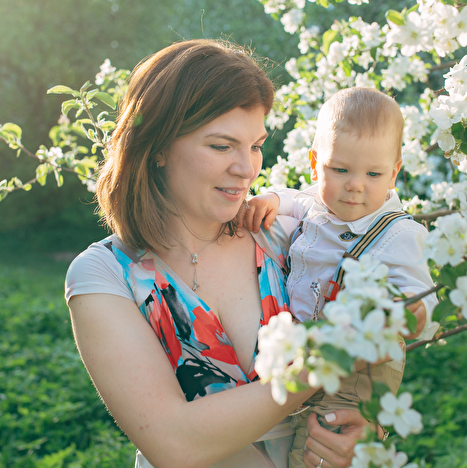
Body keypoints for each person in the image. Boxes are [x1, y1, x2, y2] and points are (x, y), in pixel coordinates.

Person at [65, 39, 366, 468]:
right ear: (158, 147)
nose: (246, 169)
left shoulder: (287, 236)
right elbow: (174, 443)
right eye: (222, 146)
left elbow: (367, 365)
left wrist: (363, 423)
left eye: (255, 145)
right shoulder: (104, 276)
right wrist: (325, 362)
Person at [244, 87, 437, 468]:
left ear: (394, 173)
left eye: (373, 174)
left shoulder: (398, 233)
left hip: (357, 370)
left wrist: (413, 311)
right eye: (341, 170)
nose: (355, 185)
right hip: (312, 353)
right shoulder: (318, 204)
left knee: (320, 446)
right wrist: (272, 199)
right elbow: (296, 198)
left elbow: (421, 292)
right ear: (316, 164)